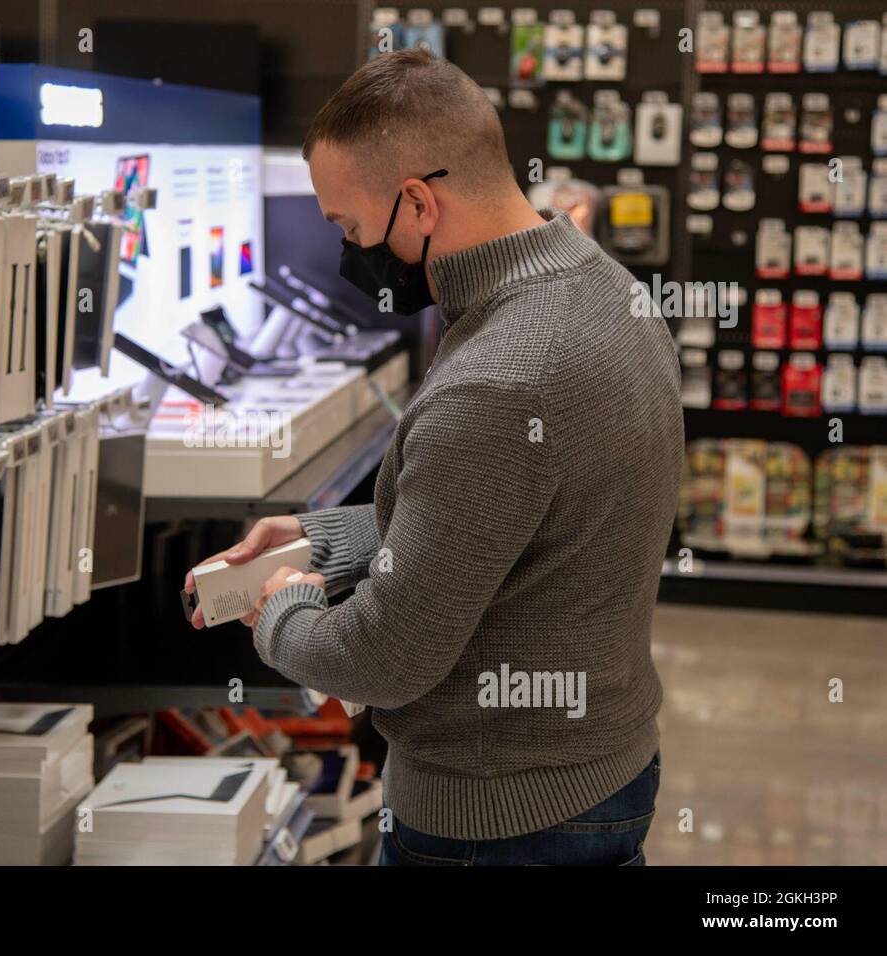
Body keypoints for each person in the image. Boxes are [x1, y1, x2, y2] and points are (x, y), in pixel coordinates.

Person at [183, 49, 683, 865]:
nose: (348, 251)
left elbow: (384, 657)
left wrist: (279, 612)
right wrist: (332, 542)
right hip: (602, 767)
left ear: (417, 201)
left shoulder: (498, 378)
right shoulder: (601, 287)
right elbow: (511, 516)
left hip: (497, 816)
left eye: (348, 225)